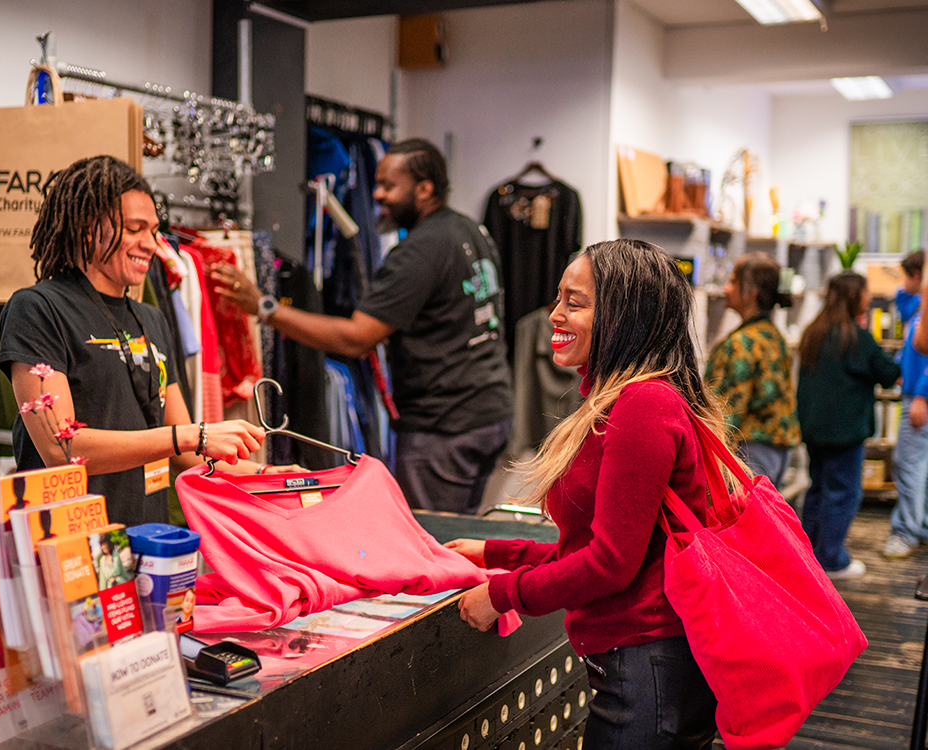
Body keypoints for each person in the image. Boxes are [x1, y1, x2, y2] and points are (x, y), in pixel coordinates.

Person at [446, 239, 721, 749]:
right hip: (646, 669)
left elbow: (610, 563)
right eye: (559, 300)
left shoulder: (641, 405)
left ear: (624, 314)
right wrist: (496, 552)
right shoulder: (626, 398)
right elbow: (606, 547)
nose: (554, 315)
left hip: (649, 674)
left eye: (574, 303)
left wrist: (503, 594)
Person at [211, 139, 513, 514]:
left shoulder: (419, 250)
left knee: (434, 540)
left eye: (389, 185)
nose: (377, 194)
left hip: (444, 428)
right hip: (489, 412)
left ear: (424, 189)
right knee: (464, 532)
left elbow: (357, 338)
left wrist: (265, 307)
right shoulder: (470, 231)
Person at [0, 155, 296, 528]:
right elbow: (63, 447)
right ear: (89, 229)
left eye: (153, 231)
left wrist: (271, 475)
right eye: (135, 229)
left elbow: (187, 455)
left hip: (148, 544)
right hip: (68, 547)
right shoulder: (37, 309)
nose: (152, 245)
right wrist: (194, 435)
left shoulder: (151, 319)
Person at [796, 271, 900, 579]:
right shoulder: (856, 337)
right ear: (855, 296)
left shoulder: (813, 332)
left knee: (817, 490)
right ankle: (832, 559)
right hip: (845, 433)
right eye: (865, 293)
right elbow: (887, 373)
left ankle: (808, 557)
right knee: (843, 493)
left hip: (814, 430)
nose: (869, 299)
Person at [704, 252, 800, 487]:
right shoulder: (773, 335)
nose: (726, 288)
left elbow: (726, 411)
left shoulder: (741, 344)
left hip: (750, 453)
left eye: (734, 281)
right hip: (776, 450)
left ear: (752, 293)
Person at [882, 250, 927, 559]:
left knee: (908, 464)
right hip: (914, 393)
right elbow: (904, 305)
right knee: (916, 465)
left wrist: (922, 395)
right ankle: (919, 526)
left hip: (920, 397)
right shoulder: (920, 308)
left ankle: (906, 532)